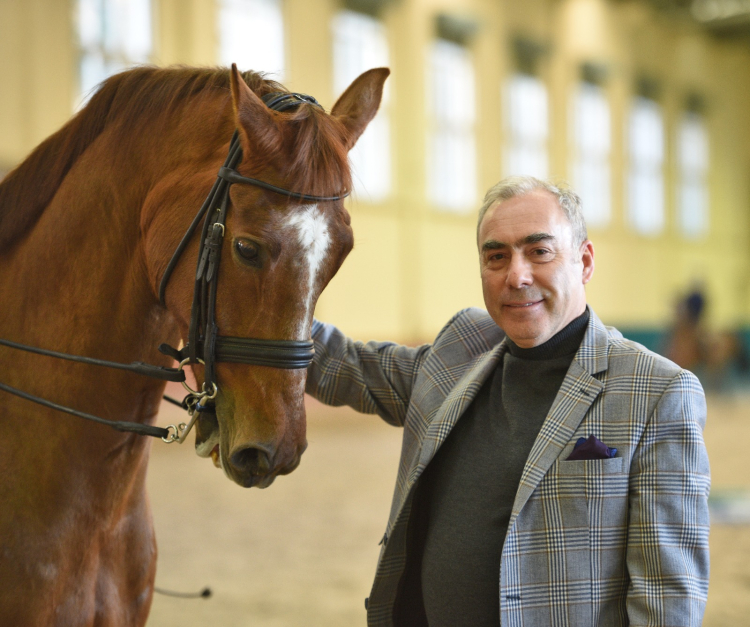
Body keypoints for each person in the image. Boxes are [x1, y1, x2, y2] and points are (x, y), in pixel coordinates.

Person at [306, 176, 710, 627]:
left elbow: (667, 597)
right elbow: (343, 366)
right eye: (496, 256)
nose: (516, 275)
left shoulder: (656, 391)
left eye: (539, 251)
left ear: (585, 261)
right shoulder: (460, 349)